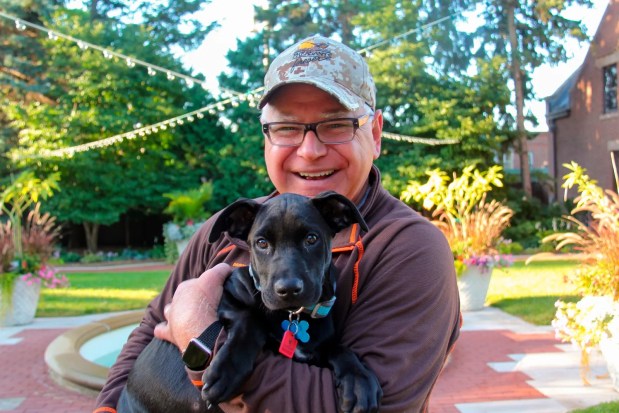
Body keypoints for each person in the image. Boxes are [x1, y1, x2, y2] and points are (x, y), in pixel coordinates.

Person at [94, 34, 460, 413]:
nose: (310, 150)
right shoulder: (231, 228)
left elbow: (379, 407)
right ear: (266, 139)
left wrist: (201, 340)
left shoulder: (408, 249)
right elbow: (150, 327)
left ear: (376, 133)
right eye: (286, 128)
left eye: (336, 124)